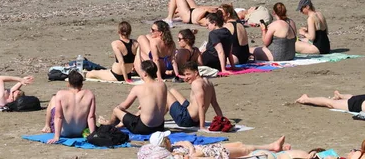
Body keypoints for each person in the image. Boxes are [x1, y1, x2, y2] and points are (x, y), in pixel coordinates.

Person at [99, 60, 167, 135]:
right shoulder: (162, 85)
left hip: (144, 128)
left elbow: (124, 106)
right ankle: (121, 123)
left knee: (116, 110)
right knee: (141, 111)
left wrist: (118, 113)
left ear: (144, 73)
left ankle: (109, 124)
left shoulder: (138, 88)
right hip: (160, 127)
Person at [137, 132, 297, 159]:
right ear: (164, 143)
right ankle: (273, 147)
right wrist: (193, 151)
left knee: (240, 144)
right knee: (244, 150)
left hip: (210, 150)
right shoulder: (175, 155)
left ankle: (273, 147)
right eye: (167, 139)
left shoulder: (173, 148)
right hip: (213, 153)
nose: (170, 139)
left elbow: (186, 143)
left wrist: (190, 147)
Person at [41, 70, 96, 144]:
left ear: (68, 84)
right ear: (81, 84)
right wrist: (92, 135)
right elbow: (91, 117)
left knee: (54, 98)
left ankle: (46, 125)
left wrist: (56, 137)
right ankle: (47, 126)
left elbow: (58, 117)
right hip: (80, 132)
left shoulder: (61, 94)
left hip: (64, 133)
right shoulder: (89, 94)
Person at [167, 61, 223, 130]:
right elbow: (215, 103)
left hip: (186, 120)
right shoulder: (209, 82)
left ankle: (158, 121)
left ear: (196, 73)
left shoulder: (196, 83)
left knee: (166, 94)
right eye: (185, 75)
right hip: (193, 118)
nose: (186, 77)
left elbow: (201, 105)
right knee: (172, 91)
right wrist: (222, 120)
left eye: (188, 74)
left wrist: (202, 126)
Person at [296, 90, 365, 115]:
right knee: (330, 103)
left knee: (353, 98)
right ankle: (306, 99)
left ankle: (341, 96)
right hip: (358, 105)